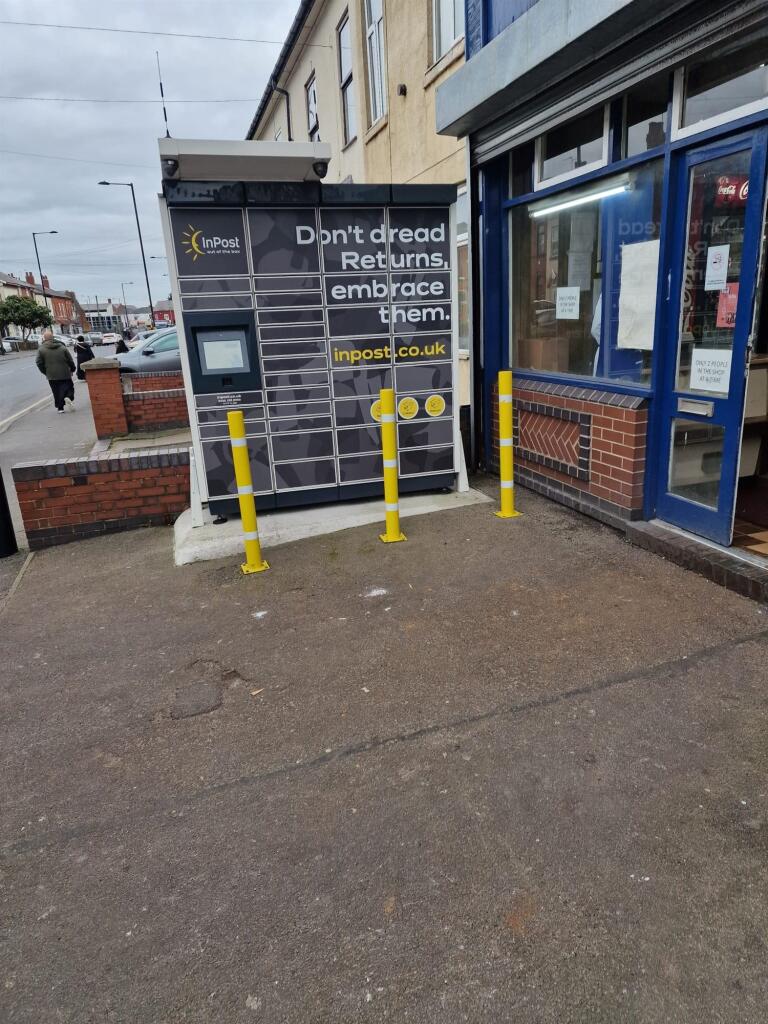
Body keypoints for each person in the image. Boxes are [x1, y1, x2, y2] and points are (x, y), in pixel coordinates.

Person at [36, 329, 76, 413]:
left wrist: (45, 371)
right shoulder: (62, 347)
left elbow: (39, 363)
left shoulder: (41, 349)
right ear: (53, 337)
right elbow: (70, 360)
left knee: (56, 391)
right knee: (69, 387)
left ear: (44, 338)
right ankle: (68, 397)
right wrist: (72, 368)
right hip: (65, 373)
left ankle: (60, 408)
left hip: (51, 375)